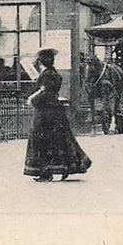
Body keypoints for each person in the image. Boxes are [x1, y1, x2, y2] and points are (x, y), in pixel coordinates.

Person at [24, 48, 92, 181]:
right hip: (56, 112)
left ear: (41, 62)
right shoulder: (54, 74)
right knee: (60, 140)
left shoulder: (46, 75)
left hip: (44, 114)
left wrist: (32, 99)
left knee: (42, 142)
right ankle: (65, 167)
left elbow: (45, 93)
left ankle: (45, 172)